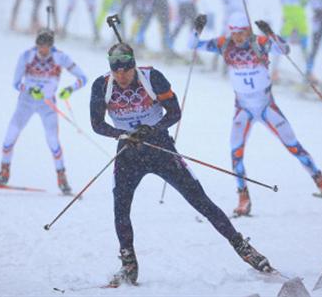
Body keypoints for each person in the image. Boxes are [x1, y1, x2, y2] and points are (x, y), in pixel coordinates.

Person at [90, 42, 274, 287]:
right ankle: (129, 265)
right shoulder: (102, 85)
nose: (121, 76)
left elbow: (174, 112)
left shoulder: (152, 77)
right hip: (128, 151)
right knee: (121, 207)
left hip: (160, 149)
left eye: (125, 69)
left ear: (133, 65)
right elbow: (97, 124)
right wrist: (121, 135)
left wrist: (153, 129)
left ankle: (243, 248)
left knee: (200, 200)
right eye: (116, 70)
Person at [189, 12, 322, 216]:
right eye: (235, 33)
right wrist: (197, 29)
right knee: (236, 152)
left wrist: (270, 33)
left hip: (266, 106)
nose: (238, 38)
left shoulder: (259, 42)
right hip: (243, 108)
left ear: (248, 31)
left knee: (294, 146)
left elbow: (284, 49)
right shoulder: (224, 44)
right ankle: (243, 197)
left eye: (242, 33)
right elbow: (193, 45)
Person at [0, 29, 87, 195]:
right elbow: (16, 83)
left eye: (46, 47)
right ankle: (3, 173)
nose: (43, 51)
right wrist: (29, 89)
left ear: (51, 46)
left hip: (47, 104)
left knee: (53, 140)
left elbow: (83, 78)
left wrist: (70, 89)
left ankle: (62, 178)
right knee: (10, 135)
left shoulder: (61, 57)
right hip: (26, 102)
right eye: (40, 47)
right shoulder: (26, 56)